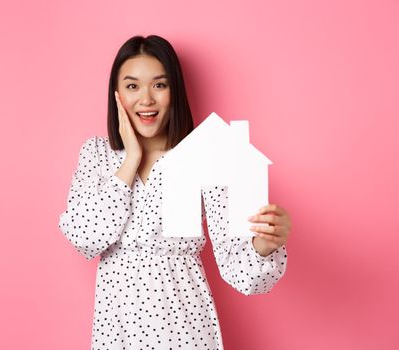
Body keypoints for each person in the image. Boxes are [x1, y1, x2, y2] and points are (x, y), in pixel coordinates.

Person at [59, 34, 291, 349]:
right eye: (132, 86)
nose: (146, 100)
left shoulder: (206, 154)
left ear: (175, 91)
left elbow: (240, 271)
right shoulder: (97, 154)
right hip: (118, 329)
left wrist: (263, 245)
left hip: (183, 325)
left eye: (159, 85)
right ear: (116, 95)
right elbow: (85, 237)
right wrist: (131, 160)